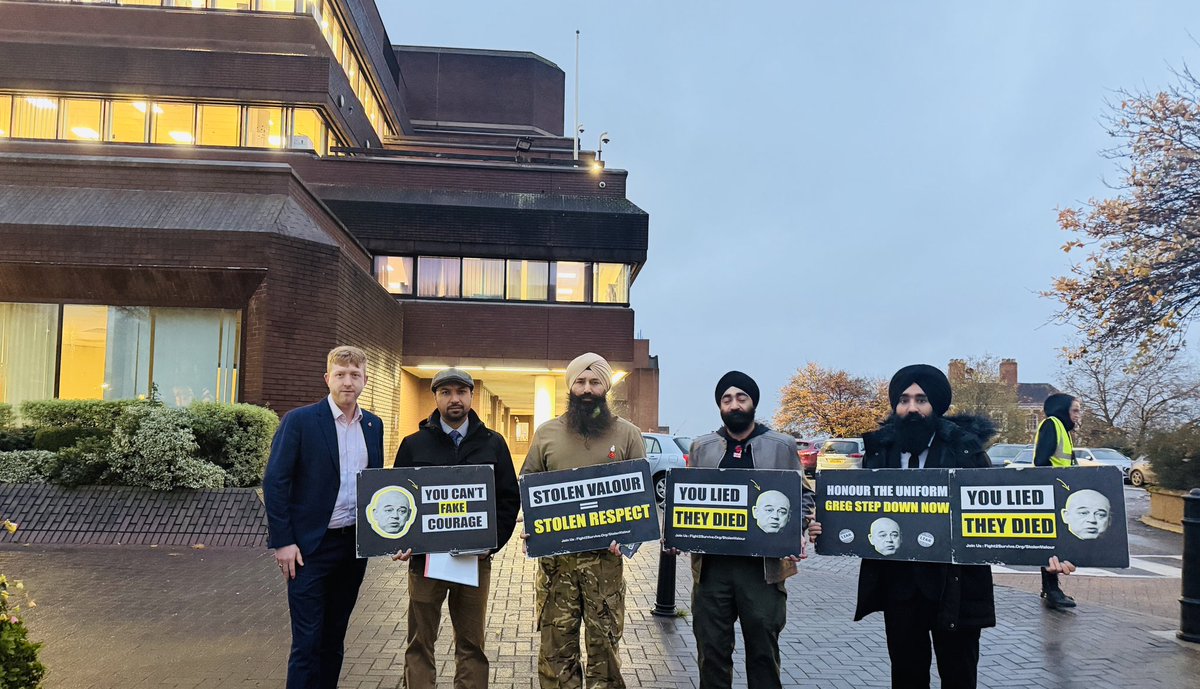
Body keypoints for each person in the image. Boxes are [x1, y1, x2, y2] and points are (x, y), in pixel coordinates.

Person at [854, 364, 998, 689]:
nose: (912, 409)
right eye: (904, 400)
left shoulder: (966, 450)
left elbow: (995, 516)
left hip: (955, 586)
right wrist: (829, 528)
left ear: (936, 405)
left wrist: (1049, 551)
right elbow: (860, 511)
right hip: (900, 589)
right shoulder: (880, 452)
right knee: (906, 676)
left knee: (959, 676)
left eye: (921, 400)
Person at [683, 371, 819, 689]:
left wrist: (795, 530)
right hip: (712, 571)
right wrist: (678, 534)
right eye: (727, 399)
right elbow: (685, 502)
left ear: (753, 402)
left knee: (763, 655)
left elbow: (804, 495)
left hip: (764, 571)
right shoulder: (703, 447)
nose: (734, 404)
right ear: (719, 405)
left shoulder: (781, 445)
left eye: (741, 397)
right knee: (712, 654)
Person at [521, 352, 646, 689]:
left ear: (606, 387)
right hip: (554, 567)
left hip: (605, 565)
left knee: (604, 649)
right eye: (580, 382)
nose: (587, 388)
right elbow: (529, 487)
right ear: (570, 386)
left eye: (595, 382)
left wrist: (630, 539)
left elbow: (641, 498)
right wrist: (530, 527)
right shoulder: (546, 433)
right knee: (555, 653)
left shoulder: (629, 435)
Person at [263, 345, 385, 689]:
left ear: (364, 380)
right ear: (327, 378)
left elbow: (375, 486)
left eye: (355, 375)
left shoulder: (373, 424)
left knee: (334, 639)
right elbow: (275, 482)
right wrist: (283, 541)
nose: (348, 382)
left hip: (353, 548)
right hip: (309, 550)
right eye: (341, 375)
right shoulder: (300, 421)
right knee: (307, 642)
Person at [391, 367, 520, 689]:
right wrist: (402, 541)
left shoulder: (494, 444)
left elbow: (508, 499)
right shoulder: (413, 444)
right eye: (446, 392)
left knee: (472, 645)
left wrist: (491, 544)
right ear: (435, 397)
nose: (454, 399)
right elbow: (398, 496)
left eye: (461, 392)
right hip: (426, 562)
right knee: (420, 642)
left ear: (472, 396)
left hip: (474, 561)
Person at [1033, 392, 1082, 608]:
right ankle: (1052, 590)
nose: (1078, 415)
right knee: (1052, 544)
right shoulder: (1052, 424)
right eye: (1075, 410)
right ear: (1063, 411)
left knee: (1055, 544)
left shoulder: (1061, 429)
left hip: (1060, 494)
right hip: (1053, 493)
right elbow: (1040, 461)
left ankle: (1050, 588)